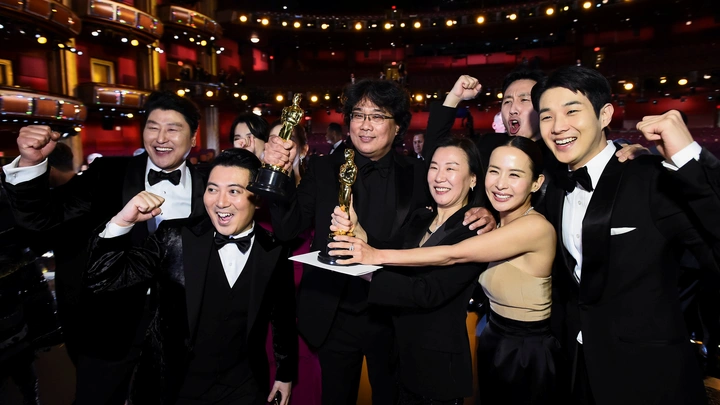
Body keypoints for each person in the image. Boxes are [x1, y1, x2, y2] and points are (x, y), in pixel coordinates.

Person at [263, 78, 495, 405]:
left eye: (378, 116)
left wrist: (484, 209)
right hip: (332, 315)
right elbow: (287, 229)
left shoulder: (418, 175)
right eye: (358, 115)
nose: (366, 125)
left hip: (393, 317)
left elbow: (456, 169)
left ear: (398, 126)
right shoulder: (323, 168)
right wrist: (279, 172)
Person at [2, 91, 207, 404]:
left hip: (188, 328)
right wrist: (32, 162)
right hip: (111, 326)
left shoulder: (212, 184)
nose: (160, 138)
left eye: (173, 128)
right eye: (153, 127)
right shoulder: (107, 175)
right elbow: (44, 221)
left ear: (193, 137)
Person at [330, 136, 564, 404]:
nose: (500, 183)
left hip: (520, 351)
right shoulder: (445, 218)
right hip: (483, 342)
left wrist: (370, 260)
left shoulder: (492, 229)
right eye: (495, 171)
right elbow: (397, 256)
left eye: (451, 168)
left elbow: (444, 266)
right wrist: (357, 231)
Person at [532, 65, 717, 405]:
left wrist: (690, 159)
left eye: (572, 111)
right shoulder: (553, 188)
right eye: (546, 117)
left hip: (649, 375)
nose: (558, 127)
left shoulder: (649, 178)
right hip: (576, 370)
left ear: (605, 115)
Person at [84, 149, 297, 405]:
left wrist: (285, 374)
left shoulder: (274, 248)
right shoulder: (174, 237)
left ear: (258, 198)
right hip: (175, 386)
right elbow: (101, 278)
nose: (220, 202)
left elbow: (282, 316)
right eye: (212, 189)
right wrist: (123, 220)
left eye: (234, 191)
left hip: (243, 386)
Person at [331, 137, 488, 403]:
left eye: (451, 168)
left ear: (473, 179)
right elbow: (390, 253)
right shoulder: (420, 217)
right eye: (434, 167)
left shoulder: (475, 231)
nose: (439, 177)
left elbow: (427, 292)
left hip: (436, 368)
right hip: (398, 357)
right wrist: (357, 230)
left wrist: (366, 270)